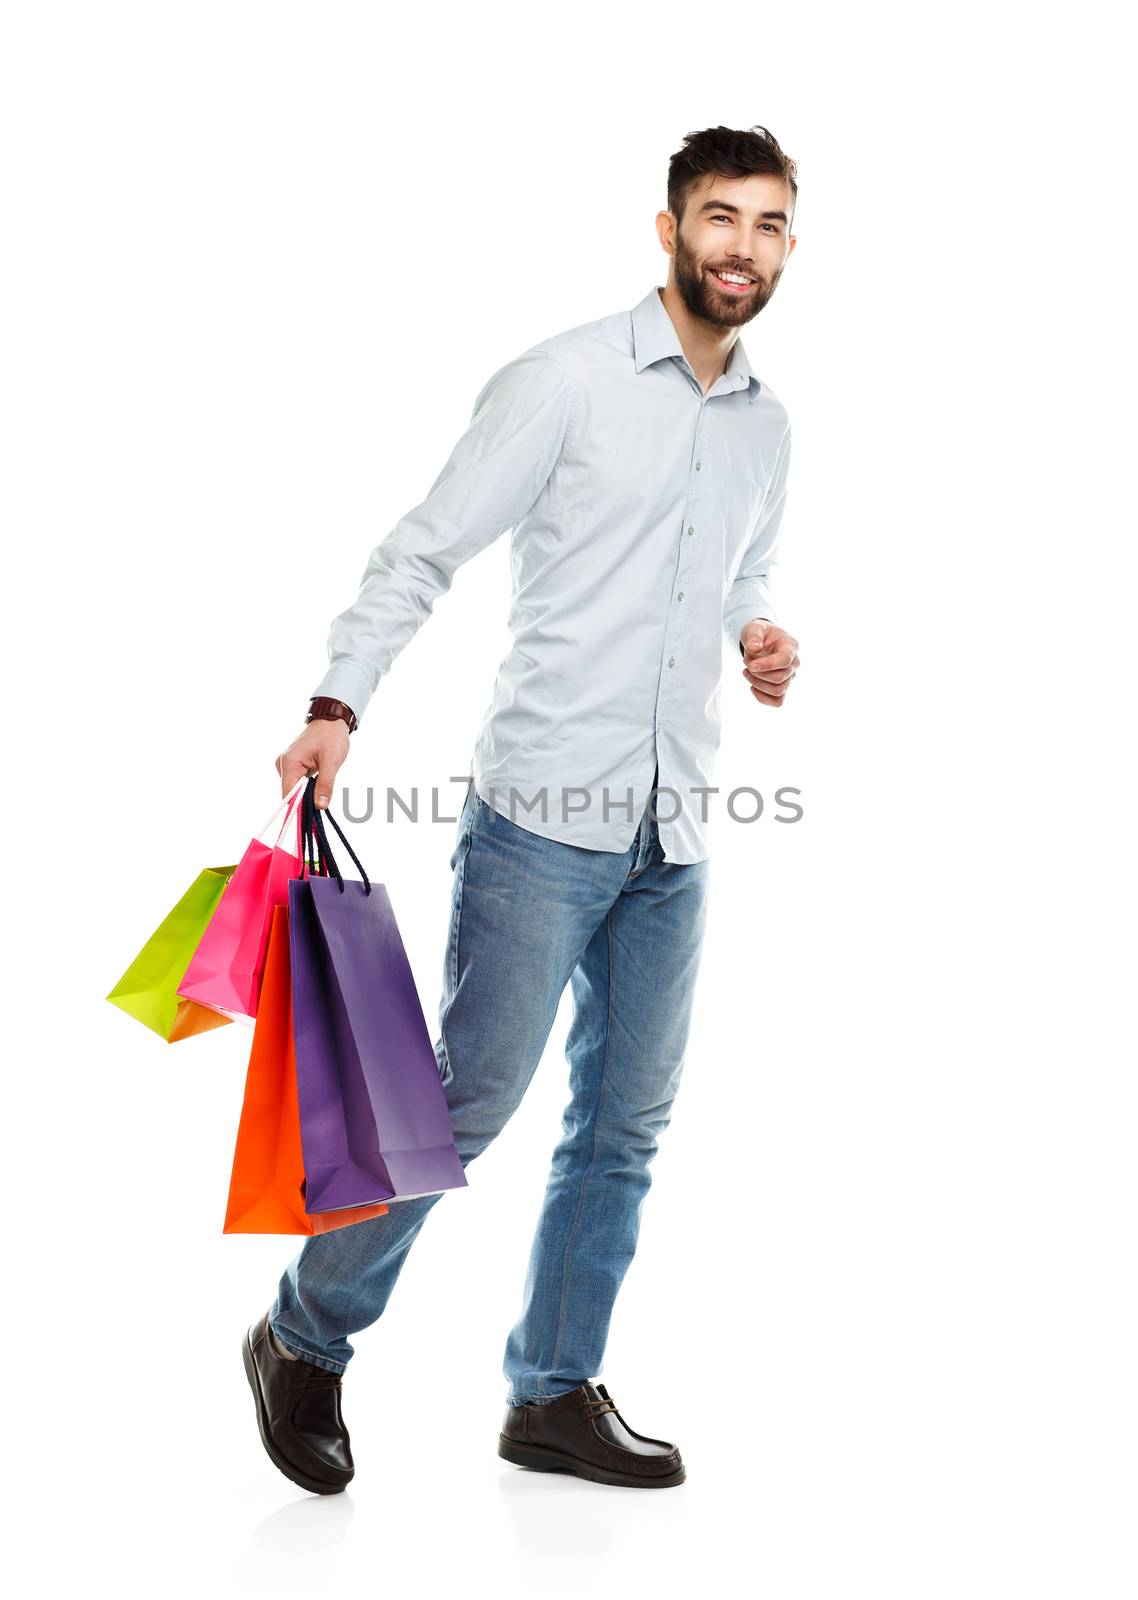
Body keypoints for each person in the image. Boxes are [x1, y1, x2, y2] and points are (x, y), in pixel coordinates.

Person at [245, 122, 802, 1496]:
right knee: (457, 1111)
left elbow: (737, 575)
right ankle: (303, 1338)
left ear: (792, 245)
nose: (741, 247)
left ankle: (550, 1395)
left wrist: (759, 633)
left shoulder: (764, 424)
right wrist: (337, 703)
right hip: (539, 822)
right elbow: (424, 546)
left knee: (624, 1126)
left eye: (769, 223)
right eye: (718, 218)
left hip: (673, 831)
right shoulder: (562, 382)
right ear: (667, 230)